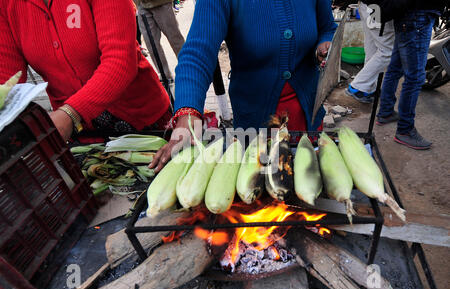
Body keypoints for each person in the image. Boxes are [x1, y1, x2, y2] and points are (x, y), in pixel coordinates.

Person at [150, 0, 337, 172]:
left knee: (307, 182)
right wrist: (188, 112)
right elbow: (198, 51)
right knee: (259, 190)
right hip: (256, 123)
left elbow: (327, 27)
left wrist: (325, 43)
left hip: (307, 114)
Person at [0, 0, 171, 142]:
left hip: (142, 121)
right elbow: (7, 81)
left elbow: (120, 61)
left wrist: (70, 113)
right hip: (79, 135)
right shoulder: (6, 5)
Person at [375, 0, 444, 150]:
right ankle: (405, 130)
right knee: (415, 77)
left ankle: (385, 112)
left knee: (396, 67)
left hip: (410, 16)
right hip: (417, 16)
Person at [345, 1, 395, 104]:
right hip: (378, 8)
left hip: (368, 6)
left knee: (372, 49)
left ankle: (368, 88)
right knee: (387, 52)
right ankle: (358, 86)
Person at [135, 0, 186, 83]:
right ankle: (164, 75)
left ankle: (188, 66)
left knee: (174, 38)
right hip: (142, 6)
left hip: (162, 3)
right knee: (151, 43)